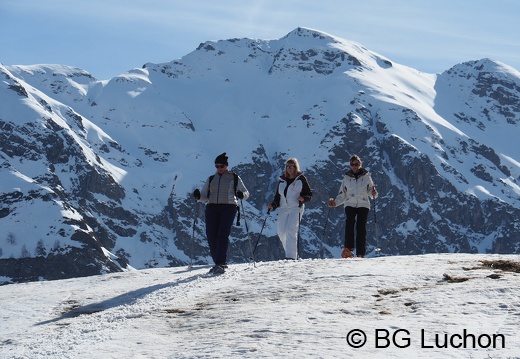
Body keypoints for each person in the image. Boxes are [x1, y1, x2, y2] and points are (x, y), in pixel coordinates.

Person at [193, 153, 249, 274]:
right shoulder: (211, 179)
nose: (219, 168)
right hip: (212, 207)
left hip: (229, 207)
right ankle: (218, 262)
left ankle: (221, 263)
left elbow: (246, 193)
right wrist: (198, 196)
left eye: (221, 166)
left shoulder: (234, 177)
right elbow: (204, 196)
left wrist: (241, 195)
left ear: (227, 166)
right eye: (217, 166)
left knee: (222, 234)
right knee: (211, 235)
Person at [328, 155, 378, 258]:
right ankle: (348, 250)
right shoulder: (346, 177)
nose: (354, 166)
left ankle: (360, 253)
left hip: (363, 203)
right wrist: (335, 203)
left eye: (356, 164)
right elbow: (342, 194)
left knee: (361, 227)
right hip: (350, 202)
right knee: (349, 223)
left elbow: (371, 192)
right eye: (352, 164)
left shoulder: (367, 176)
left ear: (360, 164)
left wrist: (374, 193)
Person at [267, 158, 312, 260]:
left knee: (291, 230)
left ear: (296, 167)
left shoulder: (301, 179)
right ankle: (292, 254)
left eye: (291, 166)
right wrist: (273, 205)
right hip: (283, 208)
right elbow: (278, 197)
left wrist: (303, 199)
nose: (289, 168)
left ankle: (291, 257)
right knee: (281, 231)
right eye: (287, 166)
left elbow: (309, 194)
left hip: (296, 208)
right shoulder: (282, 180)